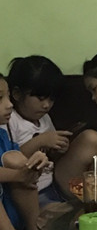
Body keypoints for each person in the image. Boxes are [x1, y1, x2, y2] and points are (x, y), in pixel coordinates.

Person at [6, 55, 76, 206]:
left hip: (50, 185)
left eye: (51, 99)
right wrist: (41, 140)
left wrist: (58, 148)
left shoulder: (44, 118)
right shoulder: (10, 120)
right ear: (17, 94)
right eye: (41, 98)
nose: (46, 105)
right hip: (27, 193)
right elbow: (9, 159)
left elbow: (50, 154)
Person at [0, 72, 50, 230]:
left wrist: (35, 163)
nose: (9, 105)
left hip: (10, 214)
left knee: (17, 160)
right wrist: (18, 175)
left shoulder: (2, 135)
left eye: (8, 97)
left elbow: (17, 161)